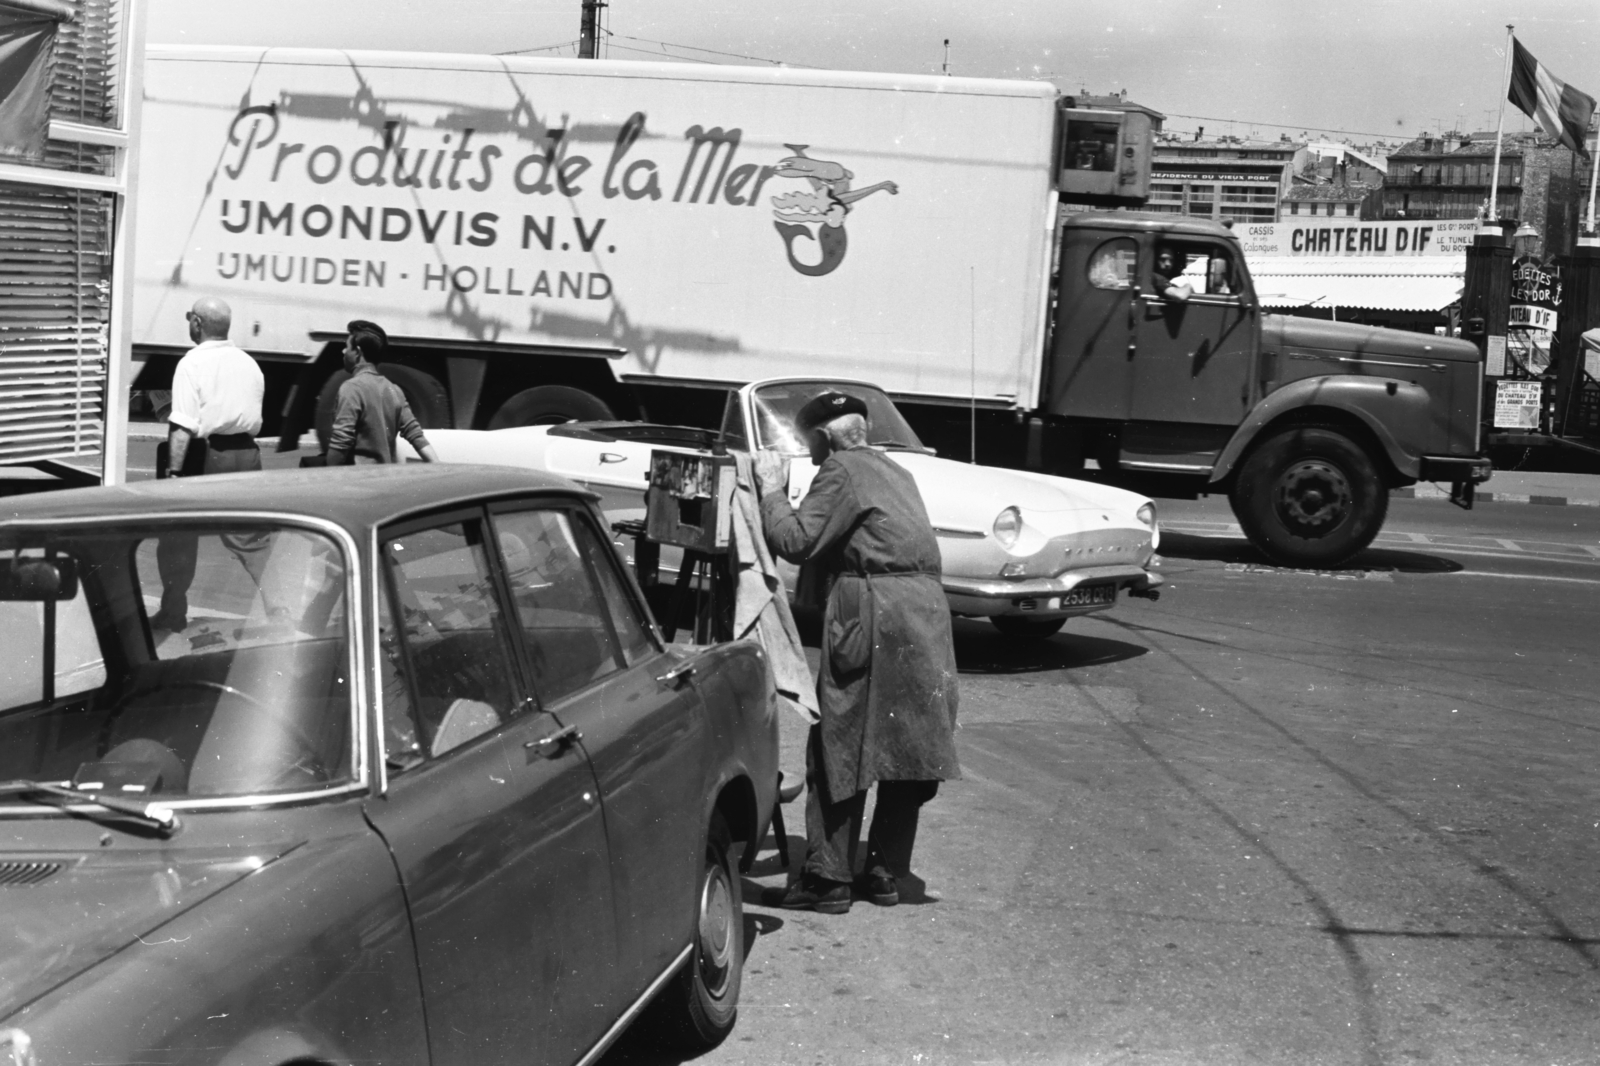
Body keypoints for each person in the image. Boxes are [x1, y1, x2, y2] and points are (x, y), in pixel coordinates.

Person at [753, 391, 961, 914]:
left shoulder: (841, 469)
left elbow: (796, 540)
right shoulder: (896, 471)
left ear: (823, 437)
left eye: (810, 444)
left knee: (840, 744)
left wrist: (772, 490)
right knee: (907, 745)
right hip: (925, 614)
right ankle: (885, 872)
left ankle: (827, 880)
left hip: (874, 612)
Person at [153, 297, 271, 631]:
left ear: (198, 324)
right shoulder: (250, 363)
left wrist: (173, 472)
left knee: (177, 536)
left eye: (190, 317)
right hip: (248, 455)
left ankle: (173, 612)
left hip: (206, 456)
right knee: (252, 540)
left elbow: (182, 425)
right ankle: (282, 613)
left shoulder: (191, 364)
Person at [324, 320, 440, 465]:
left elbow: (340, 443)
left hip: (357, 481)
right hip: (385, 478)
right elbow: (415, 435)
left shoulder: (351, 388)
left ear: (358, 352)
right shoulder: (395, 390)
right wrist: (439, 467)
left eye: (346, 347)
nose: (343, 351)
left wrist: (328, 477)